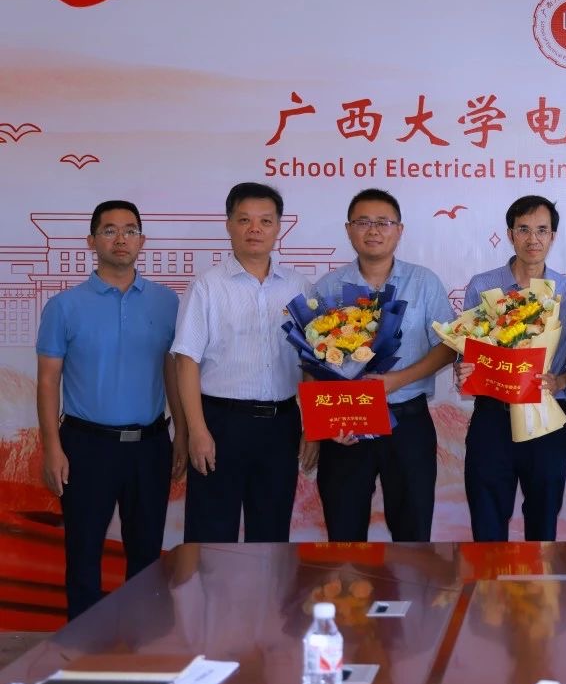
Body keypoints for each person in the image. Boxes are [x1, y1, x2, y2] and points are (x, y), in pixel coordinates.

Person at [36, 200, 185, 618]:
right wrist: (52, 448)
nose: (121, 239)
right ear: (91, 241)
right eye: (109, 230)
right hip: (86, 445)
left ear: (142, 240)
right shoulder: (64, 306)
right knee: (84, 551)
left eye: (130, 230)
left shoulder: (167, 303)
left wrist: (182, 434)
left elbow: (173, 371)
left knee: (146, 552)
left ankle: (141, 639)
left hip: (150, 445)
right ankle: (84, 644)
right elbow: (47, 381)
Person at [310, 188, 455, 541]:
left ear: (399, 230)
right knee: (344, 534)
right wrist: (326, 423)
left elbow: (449, 347)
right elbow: (311, 361)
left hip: (408, 423)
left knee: (413, 536)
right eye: (362, 222)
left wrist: (398, 380)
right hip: (346, 425)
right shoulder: (328, 287)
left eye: (383, 222)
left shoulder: (424, 282)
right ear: (348, 230)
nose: (373, 230)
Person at [173, 182, 312, 543]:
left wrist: (313, 428)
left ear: (278, 227)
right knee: (210, 538)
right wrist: (197, 431)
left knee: (271, 537)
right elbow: (186, 362)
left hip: (282, 426)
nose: (255, 229)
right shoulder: (207, 286)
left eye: (265, 221)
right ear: (229, 225)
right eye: (244, 220)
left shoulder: (299, 287)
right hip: (221, 424)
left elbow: (313, 363)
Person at [455, 196, 566, 542]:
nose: (533, 239)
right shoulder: (483, 287)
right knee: (487, 522)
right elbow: (465, 350)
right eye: (523, 230)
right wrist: (464, 370)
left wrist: (560, 381)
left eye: (542, 230)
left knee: (543, 524)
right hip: (492, 418)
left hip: (547, 417)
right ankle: (488, 578)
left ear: (553, 236)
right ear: (510, 234)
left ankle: (540, 579)